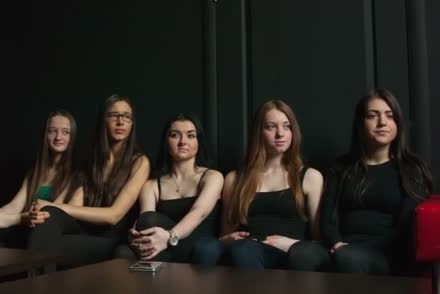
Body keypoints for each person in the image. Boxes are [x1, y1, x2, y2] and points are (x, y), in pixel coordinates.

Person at [192, 100, 324, 270]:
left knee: (244, 249)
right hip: (246, 249)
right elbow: (226, 232)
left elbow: (319, 239)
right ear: (258, 132)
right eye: (271, 127)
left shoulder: (310, 177)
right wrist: (228, 240)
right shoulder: (235, 178)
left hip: (289, 251)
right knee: (205, 247)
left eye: (286, 126)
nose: (280, 134)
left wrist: (292, 245)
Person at [320, 88, 433, 274]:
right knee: (303, 253)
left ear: (397, 123)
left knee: (347, 258)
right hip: (342, 247)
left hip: (387, 254)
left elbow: (404, 229)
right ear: (361, 123)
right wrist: (337, 244)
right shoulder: (340, 167)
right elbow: (327, 221)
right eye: (373, 115)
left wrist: (349, 250)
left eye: (389, 116)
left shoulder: (412, 169)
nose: (382, 122)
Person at [29, 94, 150, 266]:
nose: (120, 121)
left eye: (126, 116)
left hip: (114, 239)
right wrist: (44, 211)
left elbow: (114, 215)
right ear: (103, 120)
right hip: (85, 232)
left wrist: (53, 206)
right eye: (114, 115)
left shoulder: (139, 162)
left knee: (48, 233)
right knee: (48, 216)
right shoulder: (91, 162)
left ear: (132, 123)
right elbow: (74, 206)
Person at [0, 110, 84, 248]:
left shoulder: (77, 174)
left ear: (73, 137)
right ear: (45, 135)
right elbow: (16, 204)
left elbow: (49, 214)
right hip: (26, 225)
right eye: (52, 131)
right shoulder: (35, 172)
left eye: (65, 132)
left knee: (32, 230)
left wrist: (9, 219)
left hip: (48, 231)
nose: (58, 137)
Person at [129, 113, 223, 263]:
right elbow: (146, 221)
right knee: (125, 249)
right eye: (175, 135)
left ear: (199, 142)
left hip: (199, 246)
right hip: (164, 247)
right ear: (166, 142)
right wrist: (135, 235)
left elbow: (199, 212)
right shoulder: (152, 185)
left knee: (205, 249)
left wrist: (170, 236)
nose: (183, 142)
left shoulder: (212, 177)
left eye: (191, 136)